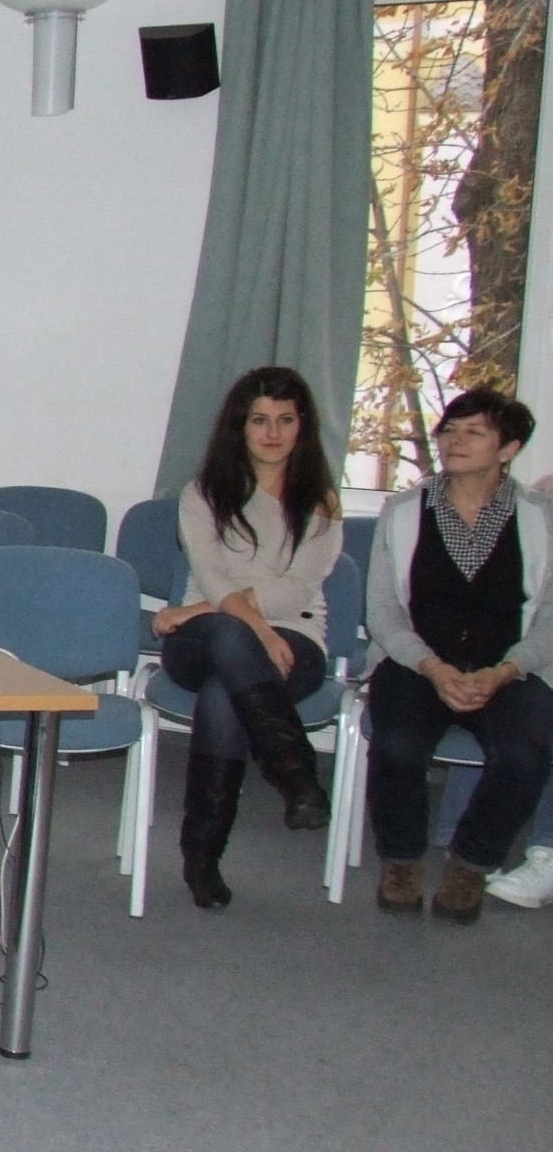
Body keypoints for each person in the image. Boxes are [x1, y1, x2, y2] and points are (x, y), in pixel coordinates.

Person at [150, 366, 344, 910]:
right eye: (259, 420)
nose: (273, 432)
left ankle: (201, 856)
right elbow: (212, 576)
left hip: (295, 636)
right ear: (240, 427)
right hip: (205, 638)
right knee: (229, 635)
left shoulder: (322, 501)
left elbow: (298, 588)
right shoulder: (203, 494)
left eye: (285, 419)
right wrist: (254, 628)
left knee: (222, 694)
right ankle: (296, 776)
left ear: (303, 426)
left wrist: (199, 611)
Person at [362, 389, 553, 922]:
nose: (455, 441)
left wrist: (506, 671)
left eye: (474, 432)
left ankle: (471, 864)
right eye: (449, 430)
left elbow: (550, 618)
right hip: (416, 664)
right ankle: (401, 862)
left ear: (509, 448)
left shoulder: (542, 517)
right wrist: (432, 667)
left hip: (509, 670)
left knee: (525, 754)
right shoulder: (403, 511)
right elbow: (382, 611)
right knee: (396, 744)